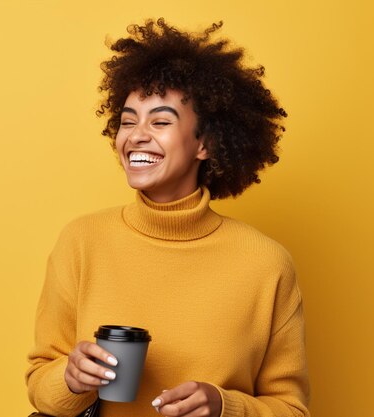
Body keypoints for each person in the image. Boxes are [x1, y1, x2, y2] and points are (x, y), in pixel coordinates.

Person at [26, 18, 309, 417]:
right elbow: (41, 385)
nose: (137, 135)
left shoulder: (266, 264)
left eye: (160, 121)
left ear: (206, 143)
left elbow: (292, 409)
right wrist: (70, 379)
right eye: (128, 120)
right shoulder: (81, 240)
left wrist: (225, 406)